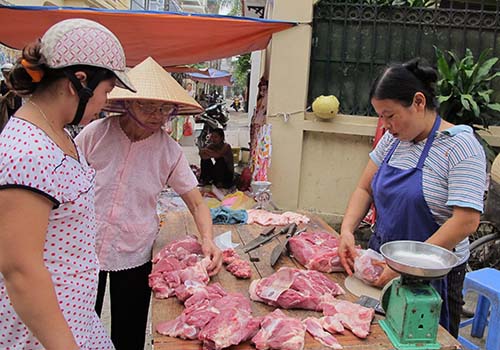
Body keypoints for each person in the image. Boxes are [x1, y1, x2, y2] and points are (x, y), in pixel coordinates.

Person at [0, 18, 135, 350]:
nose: (105, 102)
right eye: (106, 91)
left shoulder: (58, 132)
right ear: (79, 82)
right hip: (41, 335)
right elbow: (20, 270)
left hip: (75, 318)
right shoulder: (28, 152)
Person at [75, 56, 222, 350]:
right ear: (128, 102)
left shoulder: (169, 151)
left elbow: (196, 202)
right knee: (77, 328)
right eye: (148, 105)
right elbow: (66, 179)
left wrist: (209, 240)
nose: (157, 115)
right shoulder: (96, 134)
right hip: (83, 246)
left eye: (165, 108)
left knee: (128, 334)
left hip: (135, 252)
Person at [338, 58, 486, 338]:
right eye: (381, 116)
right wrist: (346, 230)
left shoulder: (460, 147)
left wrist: (409, 268)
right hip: (383, 265)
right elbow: (364, 189)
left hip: (432, 280)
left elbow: (466, 221)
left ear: (418, 102)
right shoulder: (393, 141)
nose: (386, 124)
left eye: (390, 115)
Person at [0, 62, 23, 129]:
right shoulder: (2, 83)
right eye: (5, 73)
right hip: (5, 108)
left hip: (16, 105)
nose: (6, 74)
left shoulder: (17, 82)